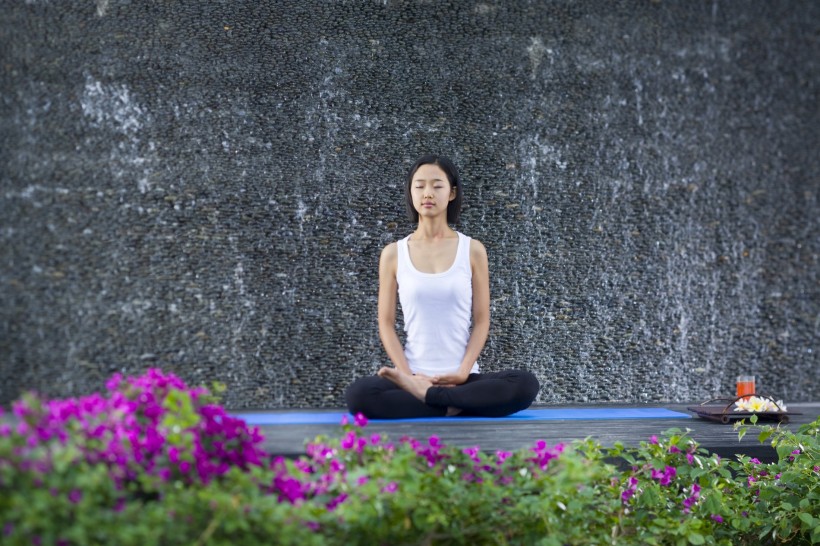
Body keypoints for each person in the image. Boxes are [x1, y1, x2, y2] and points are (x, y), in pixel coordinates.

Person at [345, 154, 540, 419]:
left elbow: (482, 320)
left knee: (525, 385)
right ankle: (456, 405)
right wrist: (407, 377)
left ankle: (435, 401)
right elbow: (385, 323)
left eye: (437, 186)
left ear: (451, 193)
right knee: (359, 394)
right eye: (419, 186)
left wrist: (462, 373)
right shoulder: (393, 253)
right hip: (412, 375)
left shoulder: (472, 250)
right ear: (411, 192)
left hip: (464, 379)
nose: (428, 193)